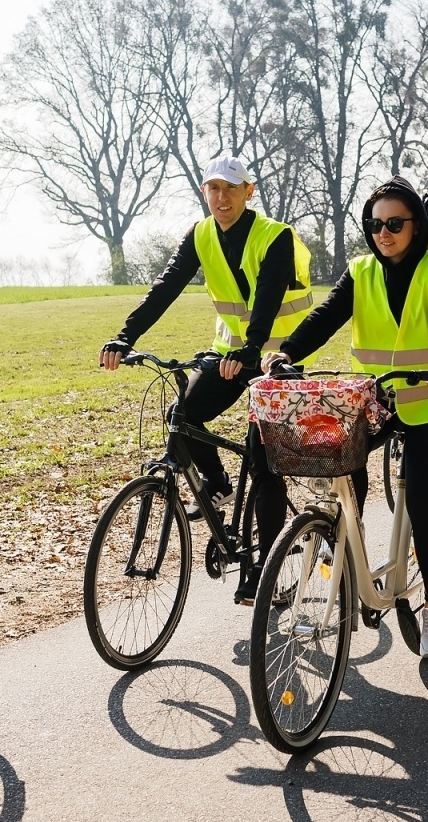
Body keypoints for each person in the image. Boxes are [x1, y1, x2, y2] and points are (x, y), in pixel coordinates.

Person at [264, 177, 428, 658]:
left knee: (420, 500)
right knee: (339, 469)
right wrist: (286, 352)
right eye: (375, 224)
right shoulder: (360, 272)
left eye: (395, 223)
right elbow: (325, 317)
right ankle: (348, 556)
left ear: (416, 226)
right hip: (375, 400)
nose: (384, 233)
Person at [99, 156, 313, 604]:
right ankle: (217, 486)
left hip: (275, 357)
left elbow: (270, 297)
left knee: (264, 463)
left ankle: (262, 572)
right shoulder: (200, 235)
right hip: (229, 352)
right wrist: (124, 336)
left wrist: (253, 351)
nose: (221, 198)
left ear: (248, 192)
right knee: (184, 413)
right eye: (213, 189)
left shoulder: (274, 237)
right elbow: (166, 286)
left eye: (230, 189)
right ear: (204, 193)